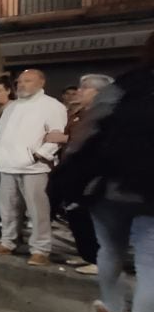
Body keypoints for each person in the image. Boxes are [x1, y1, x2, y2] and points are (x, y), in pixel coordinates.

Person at [49, 36, 154, 312]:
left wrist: (68, 177)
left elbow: (88, 137)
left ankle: (112, 309)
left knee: (110, 249)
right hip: (151, 191)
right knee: (151, 264)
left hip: (109, 187)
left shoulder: (122, 88)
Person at [0, 69, 67, 266]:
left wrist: (37, 155)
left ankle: (40, 249)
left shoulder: (52, 106)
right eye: (19, 82)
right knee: (8, 208)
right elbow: (0, 134)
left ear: (41, 82)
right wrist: (0, 156)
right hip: (7, 165)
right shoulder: (12, 107)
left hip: (34, 167)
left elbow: (56, 136)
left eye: (27, 81)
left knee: (37, 210)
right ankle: (8, 241)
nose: (21, 85)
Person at [44, 74, 114, 274]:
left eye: (85, 88)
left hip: (92, 174)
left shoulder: (108, 113)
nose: (79, 91)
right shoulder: (82, 112)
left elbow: (99, 142)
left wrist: (64, 137)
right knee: (76, 215)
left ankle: (100, 259)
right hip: (73, 171)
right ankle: (87, 254)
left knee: (89, 216)